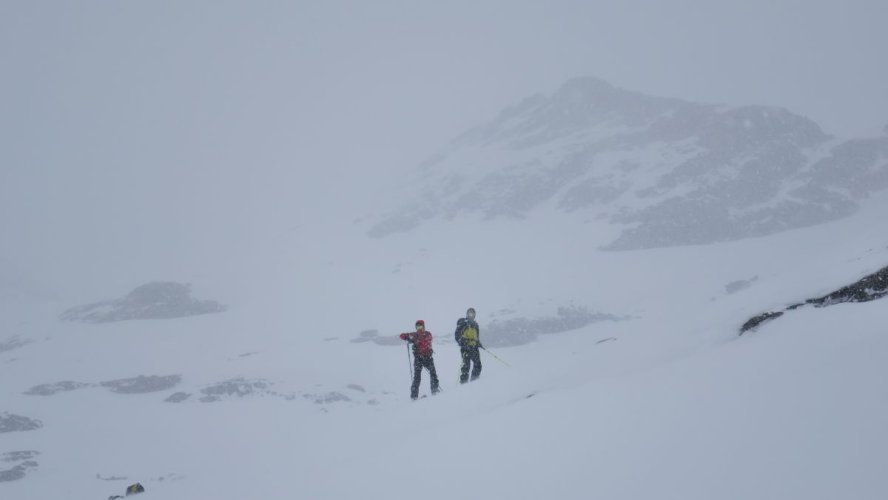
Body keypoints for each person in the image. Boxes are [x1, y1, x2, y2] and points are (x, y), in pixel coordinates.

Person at [399, 320, 440, 400]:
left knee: (433, 374)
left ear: (424, 327)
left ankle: (434, 390)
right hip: (418, 360)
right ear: (416, 327)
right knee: (417, 378)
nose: (419, 329)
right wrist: (408, 337)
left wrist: (414, 339)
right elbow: (401, 336)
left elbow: (426, 341)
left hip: (428, 358)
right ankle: (414, 396)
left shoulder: (428, 334)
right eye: (417, 327)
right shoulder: (414, 335)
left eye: (421, 326)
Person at [454, 307, 482, 383]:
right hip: (465, 348)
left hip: (474, 348)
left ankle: (474, 381)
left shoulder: (476, 325)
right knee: (466, 367)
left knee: (478, 365)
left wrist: (478, 343)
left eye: (473, 313)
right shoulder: (463, 323)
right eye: (470, 313)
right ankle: (463, 384)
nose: (471, 315)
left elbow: (476, 337)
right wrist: (462, 341)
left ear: (474, 315)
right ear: (467, 314)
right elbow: (457, 336)